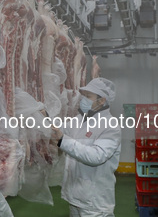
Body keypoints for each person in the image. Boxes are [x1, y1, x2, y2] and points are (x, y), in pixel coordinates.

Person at [52, 78, 122, 217]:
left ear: (101, 100)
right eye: (84, 95)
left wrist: (63, 140)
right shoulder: (81, 119)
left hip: (95, 201)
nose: (83, 99)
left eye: (88, 96)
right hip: (75, 196)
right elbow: (60, 128)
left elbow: (96, 156)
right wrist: (42, 116)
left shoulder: (110, 126)